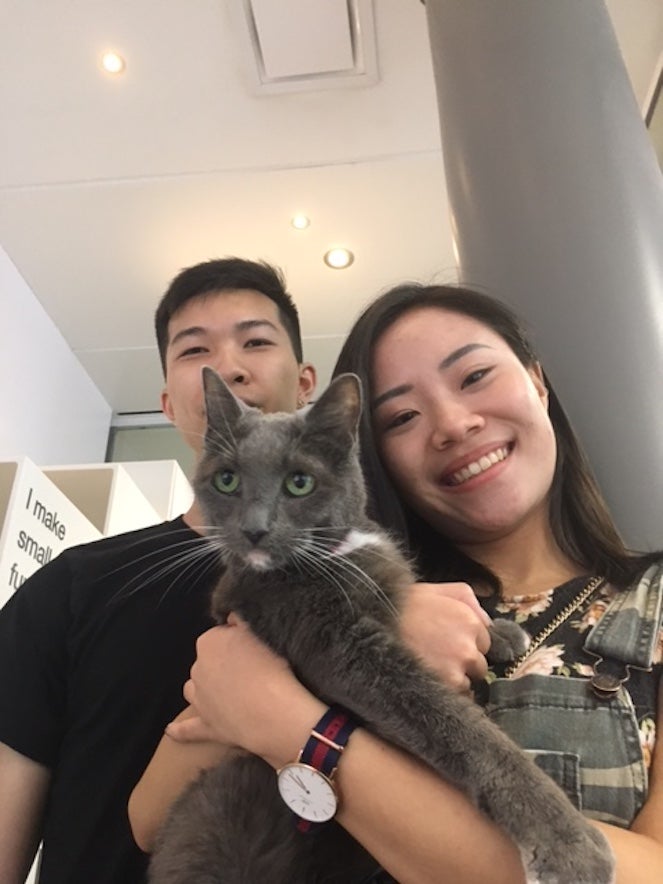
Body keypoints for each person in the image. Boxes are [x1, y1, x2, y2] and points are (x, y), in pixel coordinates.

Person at [135, 283, 663, 882]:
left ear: (537, 382)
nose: (453, 425)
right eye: (402, 415)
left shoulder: (650, 608)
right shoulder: (322, 578)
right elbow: (149, 817)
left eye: (474, 376)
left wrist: (304, 733)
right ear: (372, 450)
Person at [0, 257, 318, 884]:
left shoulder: (367, 584)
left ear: (306, 383)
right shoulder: (74, 587)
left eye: (255, 340)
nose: (227, 367)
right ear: (170, 404)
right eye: (194, 349)